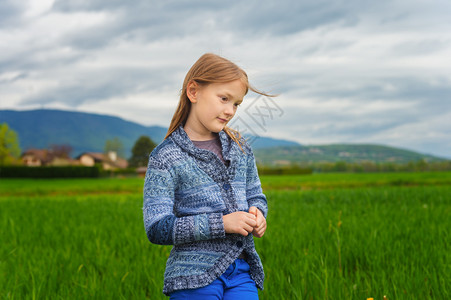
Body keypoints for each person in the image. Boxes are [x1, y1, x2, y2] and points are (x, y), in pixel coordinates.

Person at [143, 53, 273, 299]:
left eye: (236, 103)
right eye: (224, 98)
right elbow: (157, 228)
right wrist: (221, 223)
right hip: (192, 277)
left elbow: (256, 195)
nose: (230, 110)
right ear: (193, 92)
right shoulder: (166, 157)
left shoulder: (241, 147)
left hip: (242, 271)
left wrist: (258, 213)